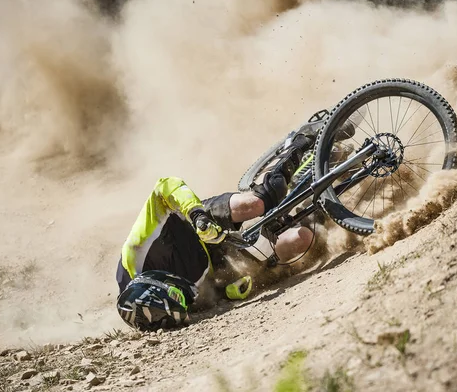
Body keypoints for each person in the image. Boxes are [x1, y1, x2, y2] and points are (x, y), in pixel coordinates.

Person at [116, 132, 316, 331]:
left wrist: (197, 215)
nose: (184, 297)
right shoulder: (165, 307)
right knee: (302, 239)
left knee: (256, 204)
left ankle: (299, 143)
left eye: (178, 296)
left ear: (155, 284)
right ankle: (322, 196)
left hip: (195, 222)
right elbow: (213, 293)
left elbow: (166, 185)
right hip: (215, 257)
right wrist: (228, 290)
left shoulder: (137, 251)